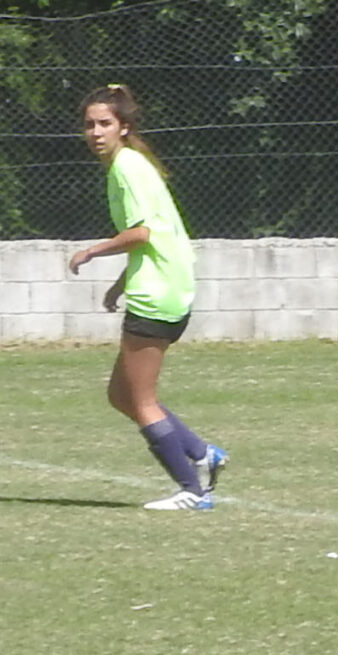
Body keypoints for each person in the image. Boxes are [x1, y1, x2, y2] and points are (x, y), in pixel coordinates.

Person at [68, 83, 226, 512]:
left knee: (141, 400)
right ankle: (201, 453)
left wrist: (91, 251)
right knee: (121, 394)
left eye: (105, 123)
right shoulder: (134, 164)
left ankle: (192, 490)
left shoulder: (126, 168)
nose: (95, 132)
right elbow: (156, 237)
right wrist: (121, 282)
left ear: (124, 126)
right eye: (89, 125)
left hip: (158, 295)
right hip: (166, 285)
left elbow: (141, 232)